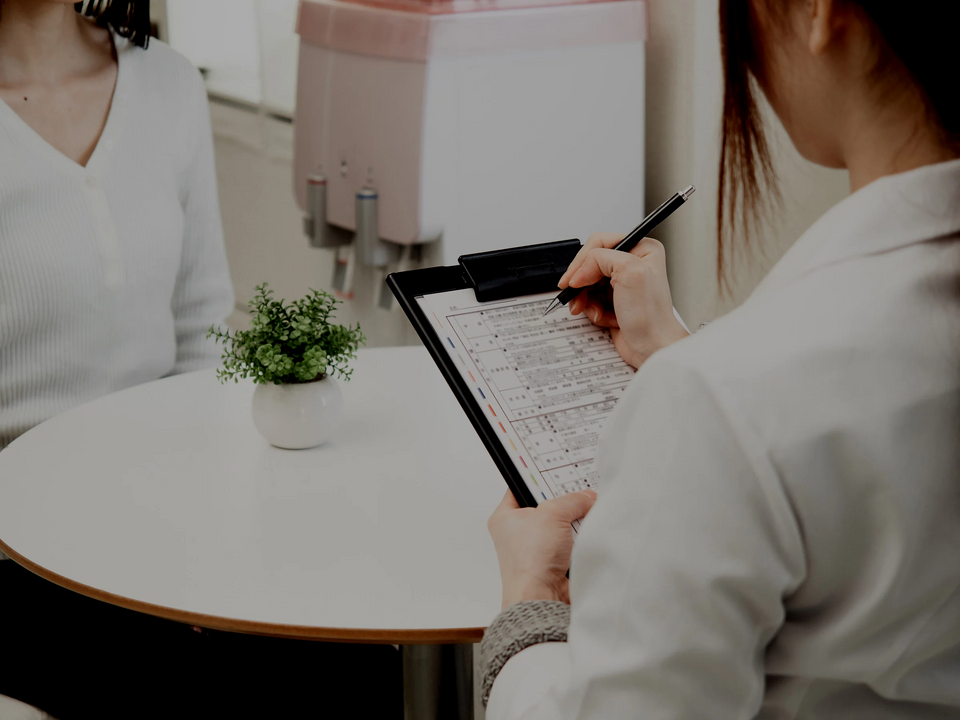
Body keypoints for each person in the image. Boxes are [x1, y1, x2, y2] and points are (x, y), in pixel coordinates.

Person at [480, 0, 960, 717]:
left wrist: (529, 611)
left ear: (822, 12)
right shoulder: (741, 385)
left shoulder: (722, 396)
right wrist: (682, 351)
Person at [0, 2, 400, 717]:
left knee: (349, 647)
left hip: (164, 516)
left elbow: (197, 333)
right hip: (21, 556)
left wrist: (208, 531)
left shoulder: (168, 86)